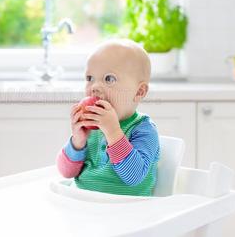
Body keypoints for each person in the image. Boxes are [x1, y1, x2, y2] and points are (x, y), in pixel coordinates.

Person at [56, 39, 161, 196]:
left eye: (109, 79)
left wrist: (113, 132)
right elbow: (66, 173)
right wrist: (77, 142)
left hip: (127, 212)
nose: (94, 87)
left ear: (139, 92)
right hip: (83, 205)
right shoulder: (90, 127)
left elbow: (134, 176)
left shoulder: (143, 129)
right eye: (90, 78)